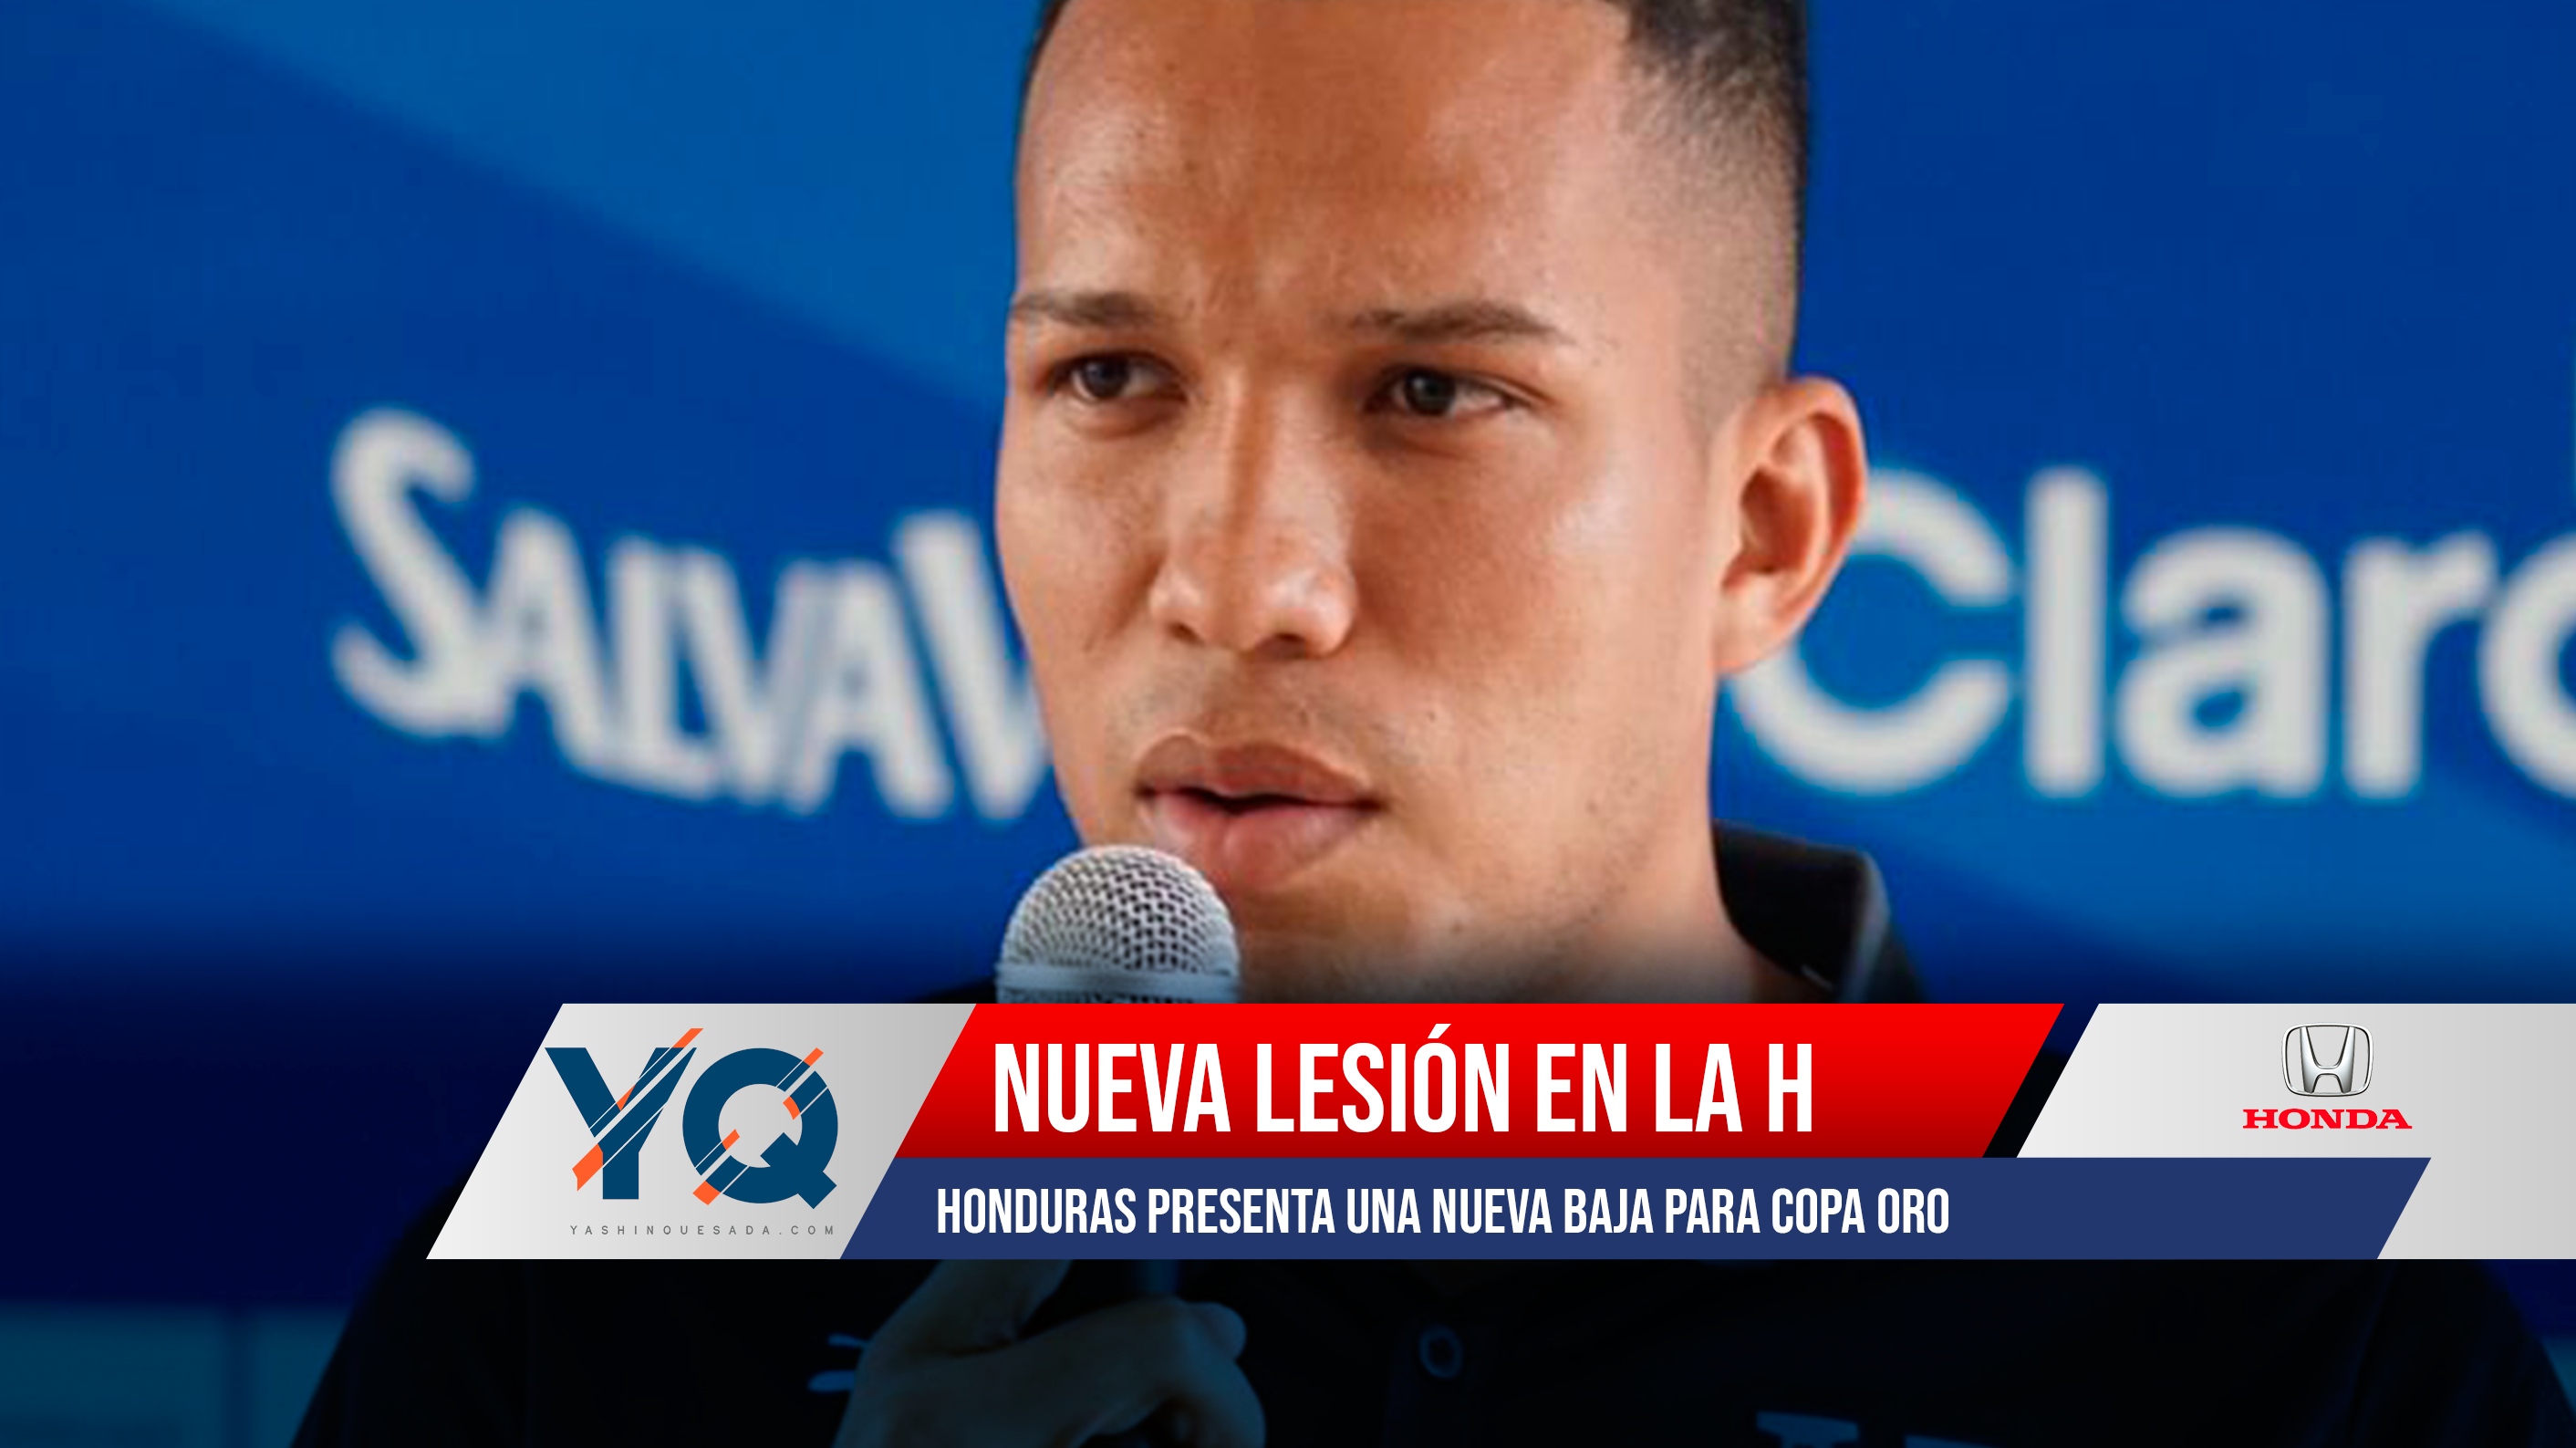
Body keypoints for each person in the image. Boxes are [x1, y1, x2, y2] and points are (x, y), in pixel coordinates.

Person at [297, 2, 2576, 1443]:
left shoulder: (2292, 1337)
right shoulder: (596, 1260)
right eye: (1110, 375)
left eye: (1428, 394)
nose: (1232, 578)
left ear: (1762, 529)